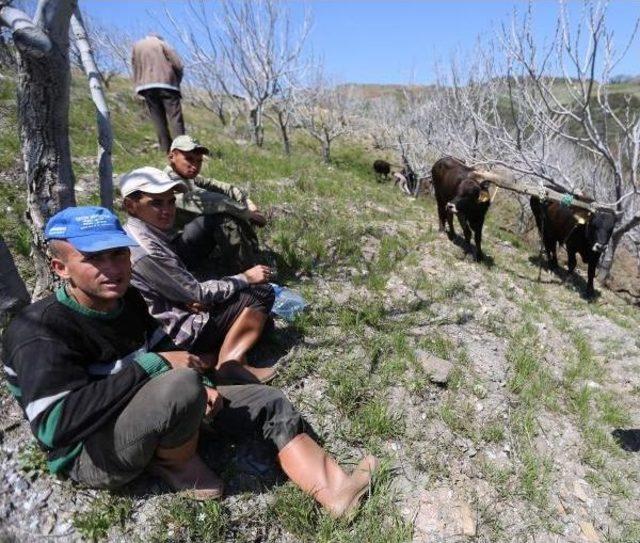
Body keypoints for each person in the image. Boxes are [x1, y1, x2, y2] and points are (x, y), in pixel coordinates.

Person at [2, 206, 377, 517]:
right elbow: (54, 427)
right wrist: (155, 367)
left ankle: (337, 492)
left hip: (146, 406)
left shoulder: (126, 298)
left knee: (266, 400)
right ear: (60, 268)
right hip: (91, 452)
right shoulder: (38, 331)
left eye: (118, 253)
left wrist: (208, 385)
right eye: (93, 259)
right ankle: (174, 463)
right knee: (181, 385)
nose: (112, 268)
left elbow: (162, 344)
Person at [119, 167, 276, 384]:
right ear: (130, 205)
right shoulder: (146, 248)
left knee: (263, 324)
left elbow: (176, 288)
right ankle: (230, 365)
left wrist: (187, 300)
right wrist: (246, 277)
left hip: (170, 317)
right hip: (176, 333)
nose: (167, 210)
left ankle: (207, 360)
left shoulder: (141, 234)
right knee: (261, 292)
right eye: (156, 203)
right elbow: (197, 292)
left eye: (170, 202)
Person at [165, 135, 268, 276]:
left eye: (199, 161)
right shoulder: (166, 183)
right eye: (189, 159)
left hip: (187, 245)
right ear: (172, 157)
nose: (195, 166)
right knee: (222, 217)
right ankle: (247, 273)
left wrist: (248, 202)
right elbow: (211, 201)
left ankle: (246, 261)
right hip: (172, 254)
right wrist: (249, 215)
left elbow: (224, 188)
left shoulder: (188, 178)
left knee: (227, 211)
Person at [132, 34, 185, 153]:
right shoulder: (162, 44)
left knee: (158, 119)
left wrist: (137, 85)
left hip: (146, 86)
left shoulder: (137, 46)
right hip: (167, 84)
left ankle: (165, 150)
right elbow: (178, 64)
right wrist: (178, 79)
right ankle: (182, 149)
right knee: (175, 117)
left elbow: (135, 65)